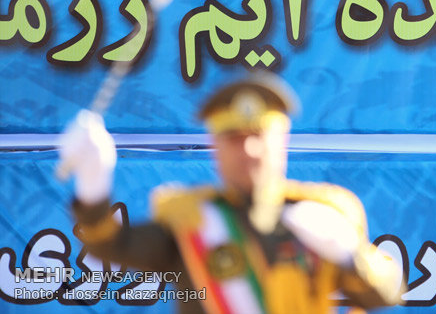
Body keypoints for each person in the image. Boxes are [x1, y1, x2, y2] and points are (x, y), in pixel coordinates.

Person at [58, 75, 401, 313]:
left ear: (282, 141)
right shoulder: (191, 219)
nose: (248, 150)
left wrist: (351, 255)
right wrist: (93, 183)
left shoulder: (326, 214)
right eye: (234, 138)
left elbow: (385, 296)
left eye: (258, 135)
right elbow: (111, 247)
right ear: (216, 148)